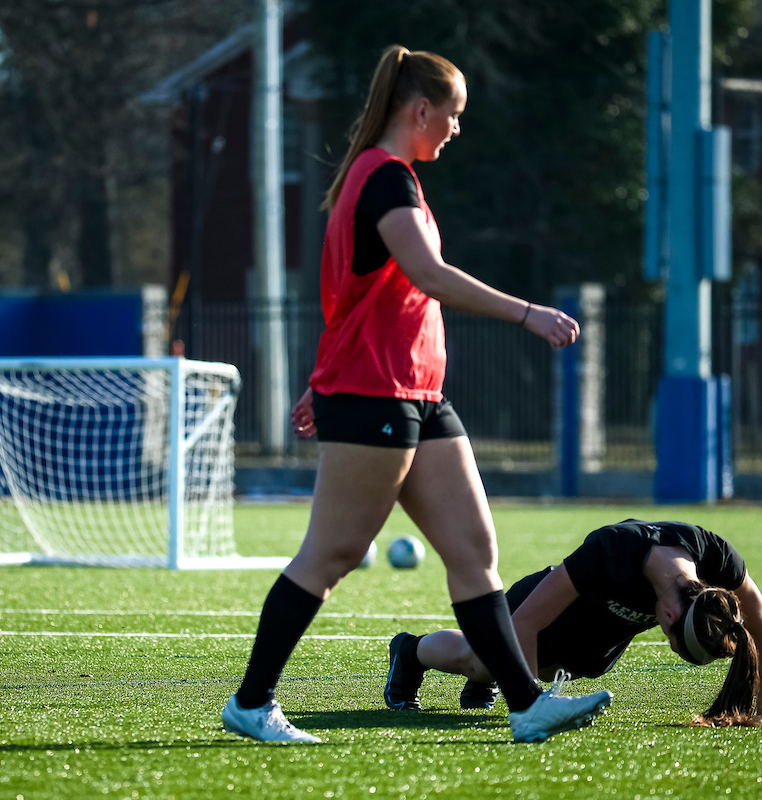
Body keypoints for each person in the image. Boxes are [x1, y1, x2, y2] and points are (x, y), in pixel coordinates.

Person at [220, 44, 612, 745]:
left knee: (473, 550)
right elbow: (427, 275)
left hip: (420, 396)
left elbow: (358, 300)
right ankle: (252, 702)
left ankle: (525, 704)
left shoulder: (391, 181)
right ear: (420, 108)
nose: (457, 129)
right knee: (331, 554)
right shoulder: (383, 179)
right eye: (453, 115)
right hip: (374, 396)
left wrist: (317, 379)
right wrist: (527, 313)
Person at [384, 519, 762, 727]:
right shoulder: (613, 551)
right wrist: (531, 705)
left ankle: (485, 677)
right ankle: (409, 652)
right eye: (670, 639)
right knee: (481, 660)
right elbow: (525, 624)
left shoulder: (715, 558)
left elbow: (761, 626)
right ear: (667, 617)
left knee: (578, 665)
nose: (666, 639)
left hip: (591, 644)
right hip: (542, 609)